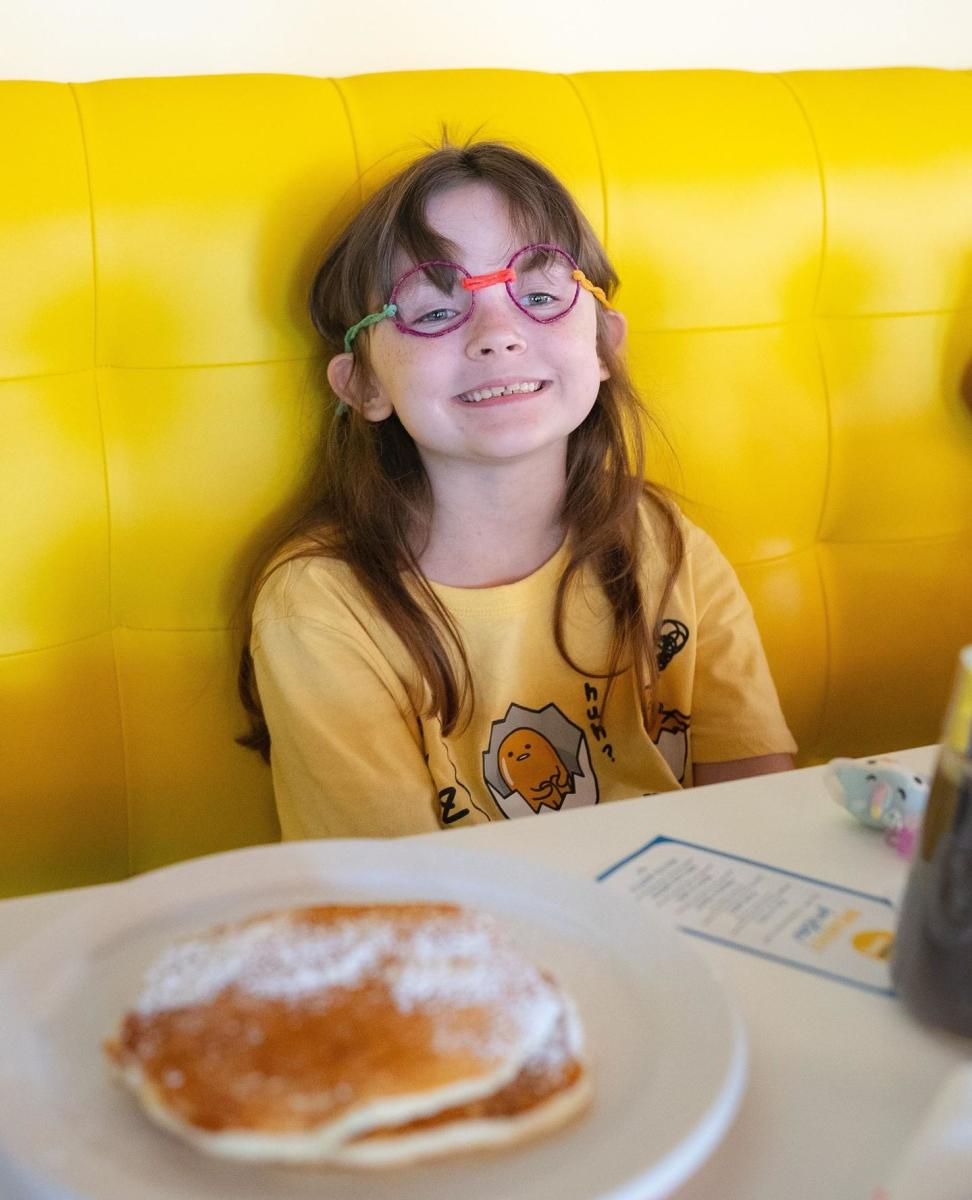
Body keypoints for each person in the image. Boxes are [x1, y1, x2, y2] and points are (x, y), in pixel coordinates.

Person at [237, 140, 796, 839]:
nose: (498, 334)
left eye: (538, 294)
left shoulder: (666, 542)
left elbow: (762, 815)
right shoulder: (321, 608)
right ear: (364, 384)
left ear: (604, 348)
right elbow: (401, 900)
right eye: (435, 312)